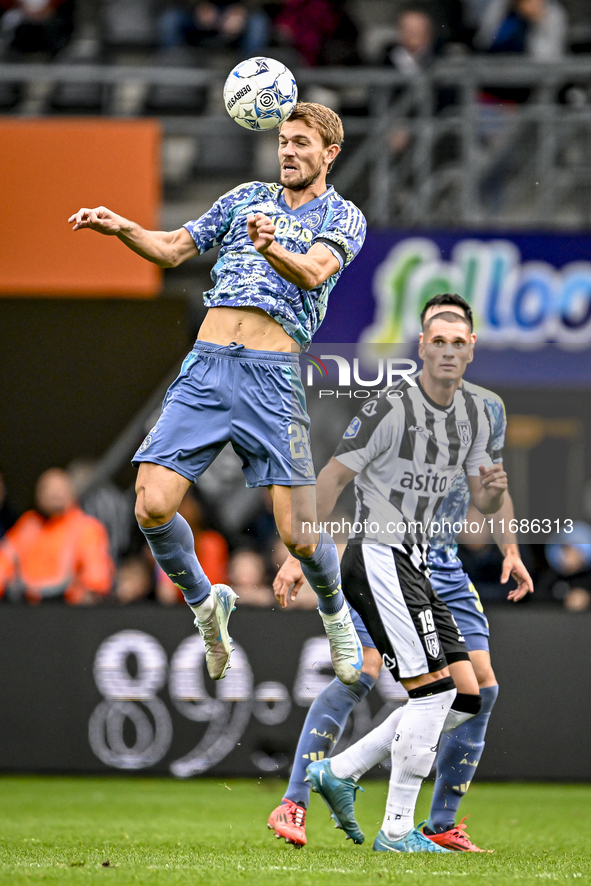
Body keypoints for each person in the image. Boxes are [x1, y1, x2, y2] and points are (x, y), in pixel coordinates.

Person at [68, 102, 367, 686]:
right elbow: (176, 248)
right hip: (206, 368)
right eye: (283, 141)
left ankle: (337, 619)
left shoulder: (345, 215)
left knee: (299, 535)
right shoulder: (243, 199)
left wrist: (270, 247)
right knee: (151, 504)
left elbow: (310, 272)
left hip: (271, 377)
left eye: (302, 143)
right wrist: (123, 226)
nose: (288, 151)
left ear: (329, 154)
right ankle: (209, 607)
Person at [268, 293, 533, 851]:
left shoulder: (483, 411)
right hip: (383, 557)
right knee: (375, 675)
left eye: (457, 342)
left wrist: (509, 546)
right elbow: (334, 479)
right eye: (437, 340)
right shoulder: (391, 407)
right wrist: (300, 551)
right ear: (421, 345)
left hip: (437, 565)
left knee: (472, 692)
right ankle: (306, 802)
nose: (447, 351)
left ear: (471, 349)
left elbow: (490, 492)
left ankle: (417, 813)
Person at [0, 467, 114, 604]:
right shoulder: (28, 526)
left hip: (67, 607)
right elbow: (5, 560)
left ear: (72, 493)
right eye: (47, 489)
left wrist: (84, 593)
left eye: (60, 489)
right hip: (27, 605)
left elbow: (96, 572)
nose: (54, 494)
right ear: (38, 495)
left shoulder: (86, 528)